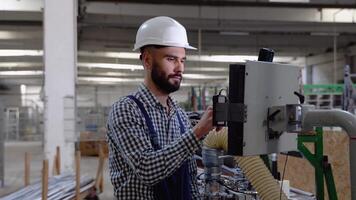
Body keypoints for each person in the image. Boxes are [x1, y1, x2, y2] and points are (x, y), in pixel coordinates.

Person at [107, 16, 217, 200]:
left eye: (182, 60)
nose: (179, 68)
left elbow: (189, 177)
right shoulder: (125, 110)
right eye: (171, 59)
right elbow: (147, 169)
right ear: (147, 60)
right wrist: (197, 132)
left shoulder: (180, 115)